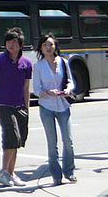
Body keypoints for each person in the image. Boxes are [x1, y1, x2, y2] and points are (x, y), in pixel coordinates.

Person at [0, 27, 33, 187]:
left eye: (14, 42)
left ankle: (11, 173)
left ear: (21, 44)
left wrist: (27, 107)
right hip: (3, 104)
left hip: (20, 106)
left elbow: (26, 87)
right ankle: (4, 172)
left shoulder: (26, 63)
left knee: (17, 140)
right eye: (8, 42)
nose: (11, 45)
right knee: (11, 137)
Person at [32, 33, 76, 186]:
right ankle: (56, 175)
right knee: (52, 143)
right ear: (41, 49)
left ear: (55, 46)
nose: (48, 47)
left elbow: (70, 82)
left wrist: (68, 89)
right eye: (45, 45)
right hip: (47, 107)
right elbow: (36, 90)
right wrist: (48, 93)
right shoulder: (38, 66)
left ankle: (69, 172)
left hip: (63, 105)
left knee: (68, 140)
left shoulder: (64, 62)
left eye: (51, 44)